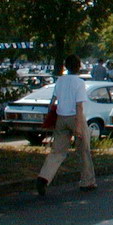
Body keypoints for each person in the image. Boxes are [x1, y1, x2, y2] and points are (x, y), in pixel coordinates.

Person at [36, 54, 96, 196]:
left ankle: (44, 178)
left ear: (66, 66)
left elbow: (53, 100)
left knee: (57, 152)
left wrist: (50, 118)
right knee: (83, 151)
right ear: (79, 66)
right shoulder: (79, 83)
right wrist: (80, 126)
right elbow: (79, 106)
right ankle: (87, 181)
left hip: (61, 118)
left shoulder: (60, 81)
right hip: (75, 117)